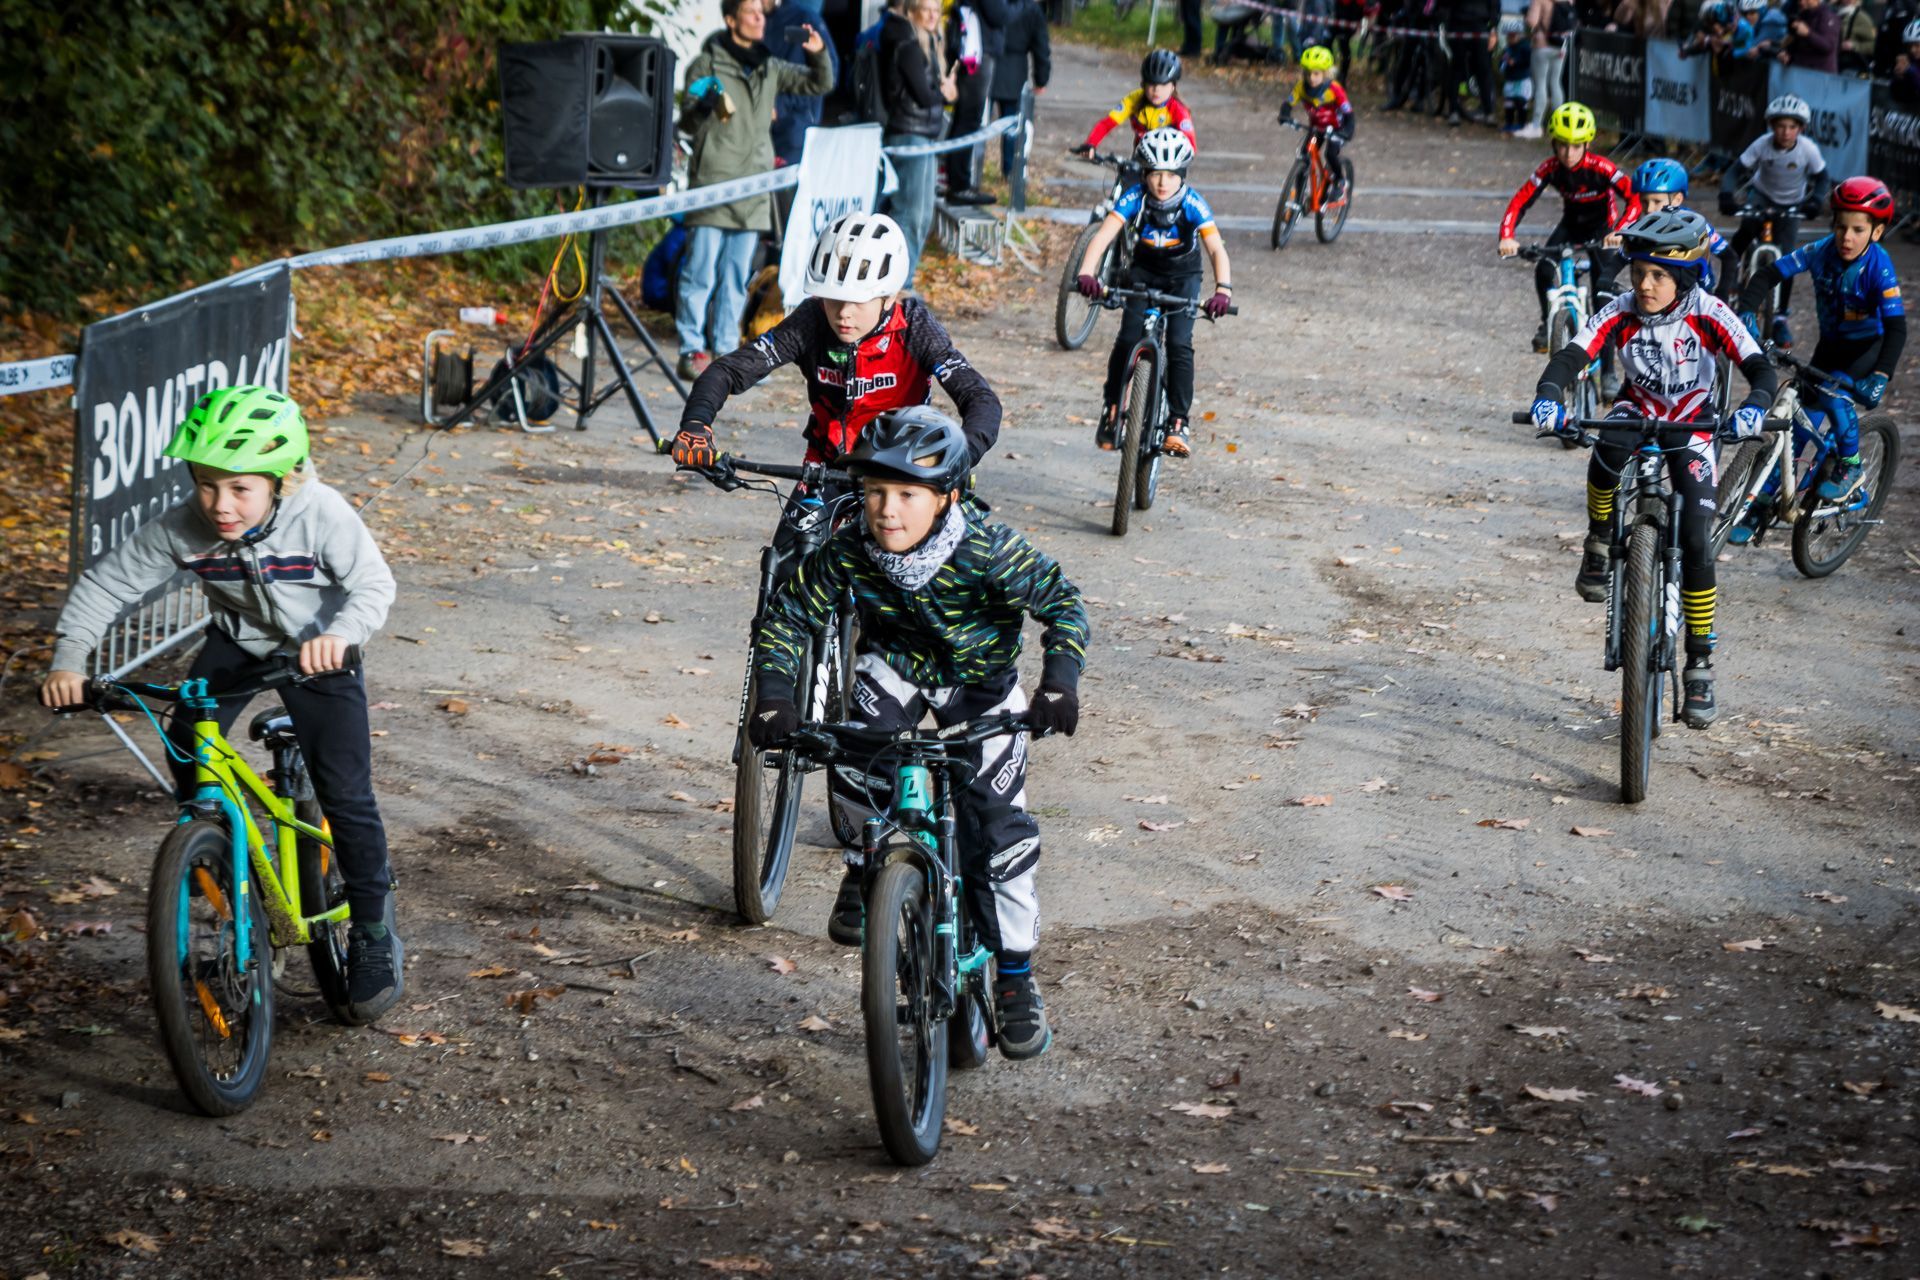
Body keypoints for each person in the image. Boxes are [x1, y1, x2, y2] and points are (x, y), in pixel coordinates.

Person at [40, 386, 405, 1022]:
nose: (220, 505)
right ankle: (214, 847)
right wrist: (70, 661)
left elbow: (373, 584)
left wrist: (341, 635)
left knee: (345, 792)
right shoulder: (184, 525)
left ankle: (373, 930)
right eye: (206, 485)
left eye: (240, 488)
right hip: (239, 642)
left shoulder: (320, 511)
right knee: (186, 738)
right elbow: (107, 584)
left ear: (281, 480)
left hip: (318, 650)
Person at [746, 408, 1089, 1060]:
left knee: (1000, 833)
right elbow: (788, 615)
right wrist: (774, 696)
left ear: (948, 496)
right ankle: (864, 867)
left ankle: (1015, 976)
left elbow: (1062, 602)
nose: (887, 510)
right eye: (876, 492)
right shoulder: (851, 549)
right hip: (897, 669)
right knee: (853, 752)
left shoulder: (986, 548)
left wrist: (1059, 684)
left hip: (979, 684)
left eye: (908, 494)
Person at [1531, 210, 1777, 728]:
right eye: (1639, 272)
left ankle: (1700, 661)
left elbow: (1758, 366)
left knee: (1696, 538)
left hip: (1693, 423)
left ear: (1685, 277)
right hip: (1636, 408)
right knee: (1604, 454)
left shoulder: (1710, 311)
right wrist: (1549, 395)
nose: (1644, 284)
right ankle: (1600, 540)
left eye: (1658, 275)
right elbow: (1573, 354)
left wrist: (1755, 405)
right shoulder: (1620, 309)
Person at [673, 213, 1002, 486]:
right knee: (794, 545)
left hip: (902, 474)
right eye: (834, 299)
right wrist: (696, 425)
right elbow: (728, 370)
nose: (843, 313)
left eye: (858, 302)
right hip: (826, 465)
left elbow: (979, 398)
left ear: (888, 296)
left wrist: (960, 456)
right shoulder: (812, 319)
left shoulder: (914, 326)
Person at [676, 0, 834, 382]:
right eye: (751, 12)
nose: (760, 18)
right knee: (699, 274)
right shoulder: (706, 65)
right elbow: (688, 124)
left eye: (760, 13)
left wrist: (818, 54)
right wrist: (702, 107)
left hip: (753, 188)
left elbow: (820, 84)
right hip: (713, 185)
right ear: (731, 20)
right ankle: (691, 349)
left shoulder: (770, 65)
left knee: (735, 278)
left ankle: (727, 352)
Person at [1735, 178, 1905, 521]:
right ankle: (1763, 503)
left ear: (1876, 232)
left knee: (1833, 396)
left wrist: (1881, 374)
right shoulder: (1820, 251)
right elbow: (1767, 275)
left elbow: (1897, 329)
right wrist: (1747, 311)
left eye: (1858, 230)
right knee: (1798, 424)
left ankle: (1851, 465)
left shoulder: (1879, 266)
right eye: (1840, 227)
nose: (1846, 237)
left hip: (1866, 349)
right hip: (1829, 347)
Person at [1073, 128, 1234, 458]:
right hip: (1143, 273)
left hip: (1183, 277)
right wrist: (1087, 273)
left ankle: (1178, 421)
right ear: (1145, 173)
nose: (1162, 182)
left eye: (1171, 175)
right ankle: (1112, 407)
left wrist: (1222, 289)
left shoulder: (1192, 203)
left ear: (1182, 175)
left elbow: (1216, 249)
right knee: (1126, 339)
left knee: (1179, 343)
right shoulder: (1135, 197)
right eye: (1156, 174)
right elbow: (1103, 237)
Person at [1497, 102, 1641, 353]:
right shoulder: (1549, 168)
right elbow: (1521, 200)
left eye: (1576, 146)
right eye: (1562, 145)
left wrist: (1619, 230)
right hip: (1571, 225)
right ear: (1554, 144)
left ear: (1587, 144)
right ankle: (1547, 324)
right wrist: (1507, 235)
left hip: (1602, 229)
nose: (1568, 153)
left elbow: (1635, 197)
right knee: (1543, 269)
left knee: (1601, 290)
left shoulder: (1602, 167)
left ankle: (1607, 364)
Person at [1717, 94, 1829, 345]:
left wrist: (1815, 201)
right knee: (1745, 232)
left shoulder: (1808, 150)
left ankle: (1780, 317)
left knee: (1787, 256)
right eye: (1780, 126)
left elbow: (1822, 178)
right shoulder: (1762, 145)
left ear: (1801, 128)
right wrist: (1726, 194)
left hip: (1791, 203)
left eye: (1792, 127)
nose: (1786, 132)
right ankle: (1729, 280)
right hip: (1762, 196)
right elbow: (1735, 170)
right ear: (1772, 126)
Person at [882, 0, 959, 290]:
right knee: (909, 214)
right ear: (912, 11)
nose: (931, 16)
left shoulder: (930, 43)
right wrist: (945, 93)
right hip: (909, 135)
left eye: (936, 10)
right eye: (925, 9)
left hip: (925, 135)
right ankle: (899, 285)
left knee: (923, 214)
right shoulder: (908, 44)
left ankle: (904, 281)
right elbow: (924, 95)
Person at [945, 0, 1014, 205]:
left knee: (965, 118)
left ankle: (957, 181)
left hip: (976, 46)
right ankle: (959, 185)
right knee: (969, 118)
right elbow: (999, 14)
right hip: (978, 50)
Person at [1632, 158, 1734, 294]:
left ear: (1677, 199)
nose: (1649, 209)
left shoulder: (1695, 224)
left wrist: (1722, 293)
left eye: (1657, 201)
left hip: (1698, 294)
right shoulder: (1642, 225)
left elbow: (1729, 257)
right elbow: (1623, 256)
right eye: (1644, 202)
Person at [1073, 50, 1198, 156]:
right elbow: (1106, 124)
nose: (1156, 90)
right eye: (1151, 84)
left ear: (1173, 87)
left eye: (1163, 85)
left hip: (1170, 161)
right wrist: (1091, 144)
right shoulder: (1134, 99)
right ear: (1143, 84)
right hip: (1141, 156)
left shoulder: (1178, 109)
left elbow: (1190, 145)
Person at [765, 0, 839, 167]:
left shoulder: (800, 20)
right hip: (759, 137)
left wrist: (779, 107)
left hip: (793, 134)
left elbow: (828, 75)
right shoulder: (754, 23)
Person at [988, 0, 1051, 185]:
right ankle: (1010, 170)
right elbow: (1041, 45)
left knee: (978, 123)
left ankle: (970, 170)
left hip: (988, 67)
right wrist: (1041, 78)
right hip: (1014, 73)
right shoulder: (1030, 9)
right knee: (1013, 127)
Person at [1281, 46, 1355, 201]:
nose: (1311, 78)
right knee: (1305, 155)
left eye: (1316, 74)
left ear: (1325, 73)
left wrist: (1347, 131)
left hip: (1337, 129)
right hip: (1317, 129)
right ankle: (1299, 196)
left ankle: (1340, 181)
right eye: (1308, 73)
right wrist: (1285, 115)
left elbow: (1348, 113)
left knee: (1330, 154)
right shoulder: (1301, 87)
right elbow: (1288, 103)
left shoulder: (1334, 90)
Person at [1519, 0, 1573, 138]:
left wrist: (1527, 17)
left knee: (1540, 85)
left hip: (1542, 45)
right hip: (1561, 47)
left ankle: (1536, 125)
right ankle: (1559, 124)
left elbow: (1532, 22)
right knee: (1556, 83)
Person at [1444, 0, 1499, 125]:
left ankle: (1488, 112)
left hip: (1480, 25)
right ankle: (1453, 110)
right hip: (1458, 24)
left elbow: (1494, 5)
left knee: (1483, 69)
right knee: (1457, 68)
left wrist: (1493, 27)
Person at [1776, 0, 1838, 67]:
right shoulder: (1802, 15)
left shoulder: (1827, 16)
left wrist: (1808, 34)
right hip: (1799, 68)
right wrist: (1786, 54)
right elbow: (1794, 43)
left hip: (1819, 71)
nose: (1801, 2)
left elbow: (1828, 46)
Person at [1499, 16, 1534, 131]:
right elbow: (1502, 61)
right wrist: (1502, 63)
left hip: (1521, 78)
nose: (1510, 38)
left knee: (1520, 101)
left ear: (1519, 35)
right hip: (1510, 79)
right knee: (1509, 102)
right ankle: (1509, 123)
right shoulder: (1507, 48)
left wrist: (1515, 61)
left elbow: (1528, 61)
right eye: (1508, 36)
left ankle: (1521, 123)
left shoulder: (1525, 47)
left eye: (1513, 35)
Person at [1836, 0, 1877, 71]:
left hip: (1847, 65)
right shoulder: (1832, 11)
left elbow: (1873, 45)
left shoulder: (1862, 18)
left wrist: (1854, 45)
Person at [1895, 17, 1920, 102]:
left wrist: (1910, 71)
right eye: (1909, 45)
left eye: (1917, 45)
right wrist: (1899, 77)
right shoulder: (1911, 60)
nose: (1912, 50)